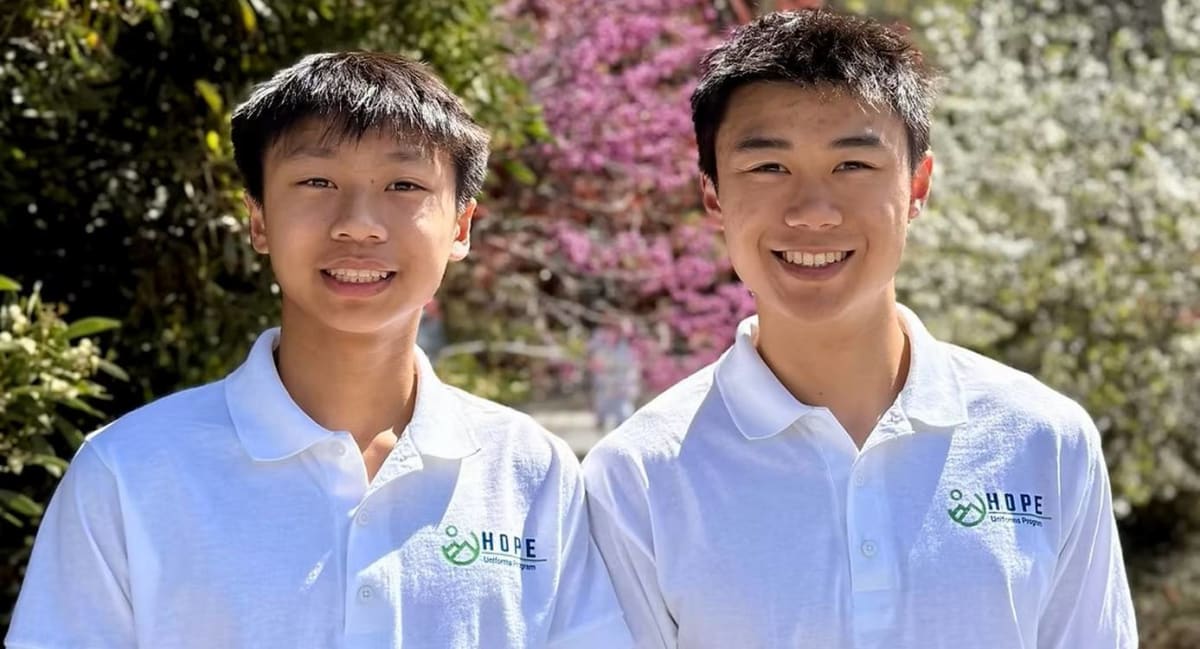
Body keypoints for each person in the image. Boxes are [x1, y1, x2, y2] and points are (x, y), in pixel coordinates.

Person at [7, 51, 631, 649]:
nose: (358, 222)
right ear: (258, 219)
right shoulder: (128, 471)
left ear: (461, 227)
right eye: (316, 179)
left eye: (403, 184)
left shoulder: (532, 472)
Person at [582, 10, 1137, 649]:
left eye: (853, 165)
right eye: (768, 168)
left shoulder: (1043, 439)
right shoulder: (638, 476)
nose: (813, 212)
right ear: (713, 196)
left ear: (918, 184)